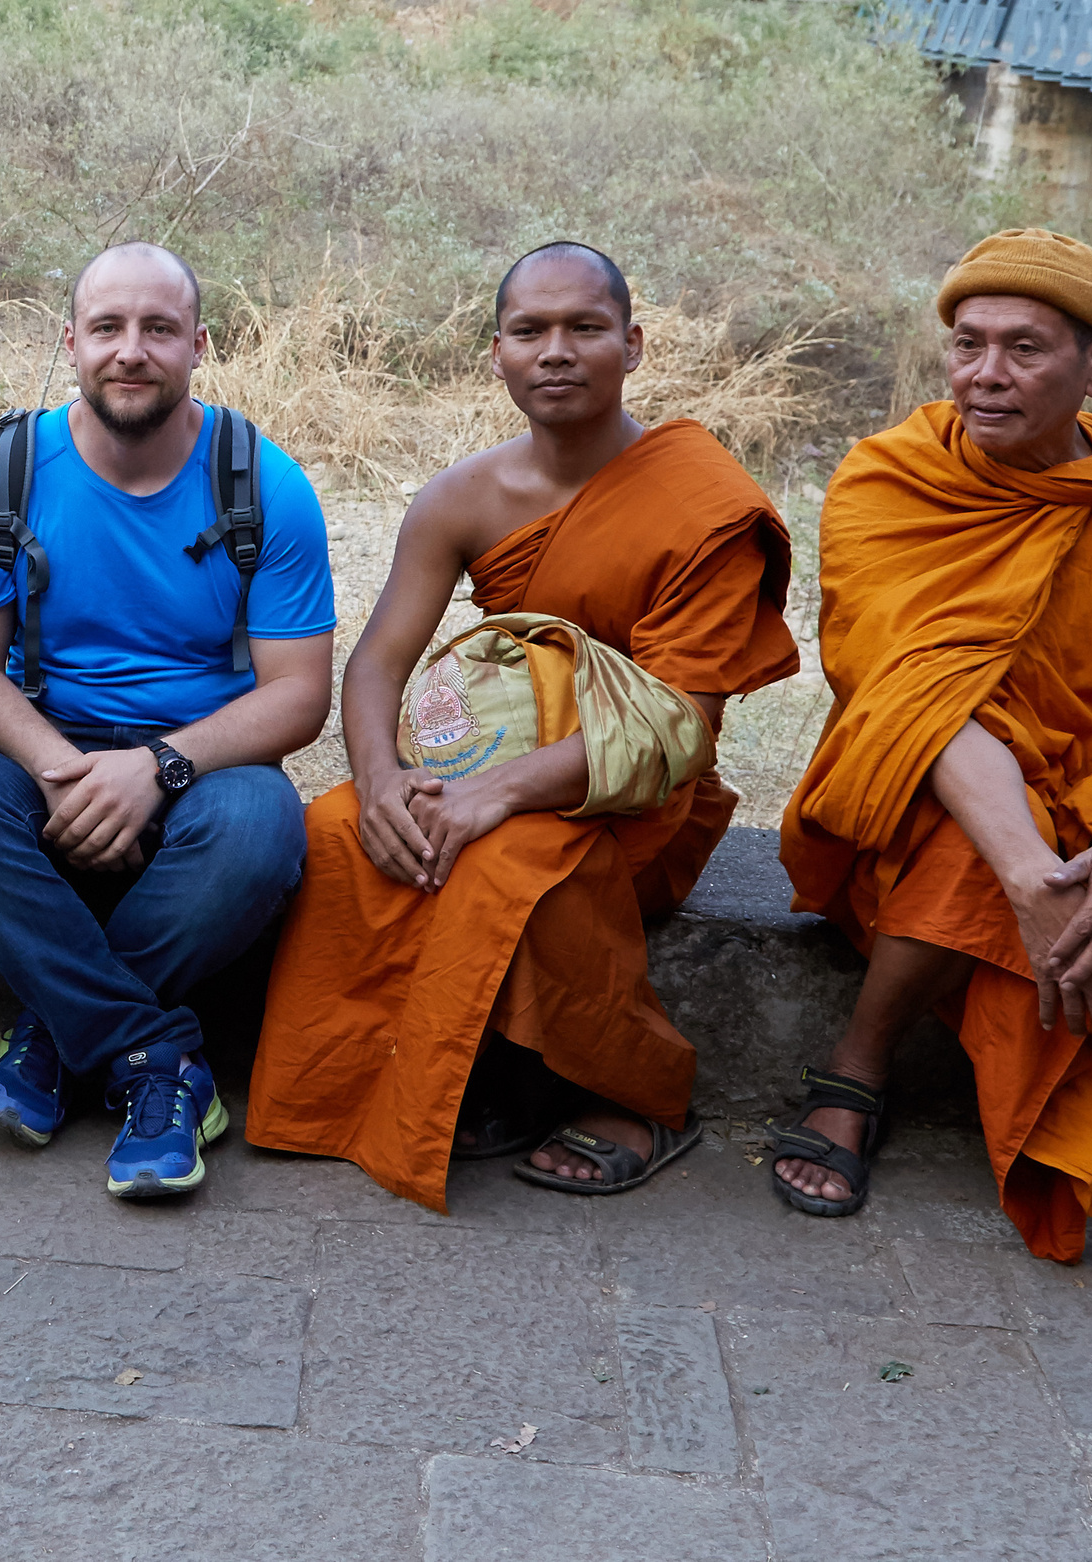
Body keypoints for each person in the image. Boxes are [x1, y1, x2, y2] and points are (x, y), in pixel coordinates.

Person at [773, 228, 1092, 1267]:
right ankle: (860, 1064)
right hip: (946, 782)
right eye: (967, 345)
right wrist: (1026, 873)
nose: (985, 376)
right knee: (969, 853)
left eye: (1024, 349)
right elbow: (908, 688)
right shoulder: (891, 483)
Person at [245, 242, 799, 1209]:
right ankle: (362, 1084)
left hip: (635, 800)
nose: (557, 352)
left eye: (585, 328)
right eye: (530, 331)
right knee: (338, 833)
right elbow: (377, 661)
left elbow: (680, 730)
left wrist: (490, 795)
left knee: (509, 856)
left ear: (632, 345)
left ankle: (638, 1093)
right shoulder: (463, 498)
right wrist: (379, 781)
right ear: (495, 353)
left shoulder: (702, 504)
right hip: (486, 765)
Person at [0, 241, 333, 1199]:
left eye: (159, 329)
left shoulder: (263, 487)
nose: (132, 350)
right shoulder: (2, 479)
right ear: (70, 341)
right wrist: (67, 772)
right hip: (45, 747)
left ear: (199, 344)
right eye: (108, 327)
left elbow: (298, 698)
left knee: (261, 827)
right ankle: (154, 1057)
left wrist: (155, 768)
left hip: (204, 759)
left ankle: (56, 1038)